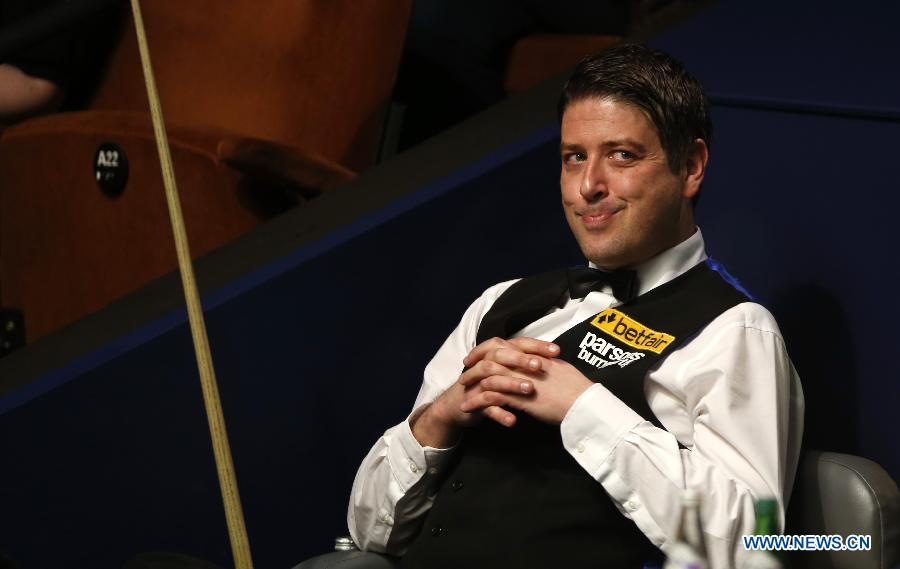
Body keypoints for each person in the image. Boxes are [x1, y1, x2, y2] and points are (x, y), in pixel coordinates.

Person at [348, 43, 804, 569]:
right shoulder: (500, 302)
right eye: (575, 158)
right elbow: (368, 532)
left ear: (691, 166)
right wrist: (439, 421)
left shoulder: (736, 331)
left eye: (623, 156)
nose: (589, 186)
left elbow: (756, 547)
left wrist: (582, 408)